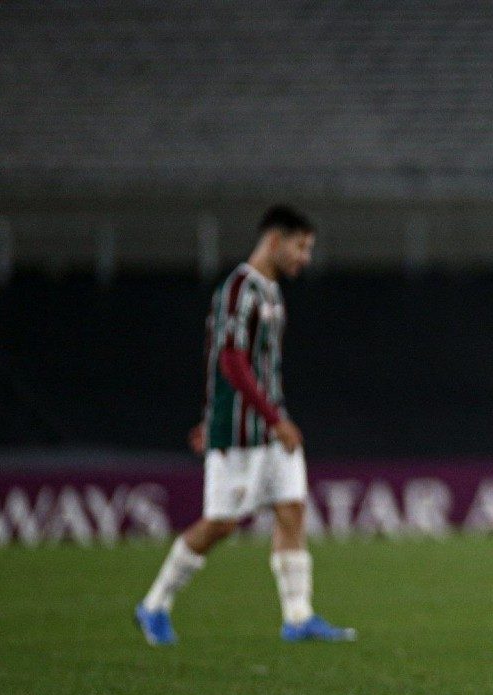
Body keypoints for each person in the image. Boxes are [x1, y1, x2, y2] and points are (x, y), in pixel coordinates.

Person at [135, 205, 355, 645]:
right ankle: (154, 604)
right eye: (301, 246)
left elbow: (243, 365)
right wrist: (260, 419)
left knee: (291, 509)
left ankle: (298, 617)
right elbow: (230, 360)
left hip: (271, 427)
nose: (305, 257)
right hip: (244, 432)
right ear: (275, 240)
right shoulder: (238, 290)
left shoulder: (271, 292)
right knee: (221, 524)